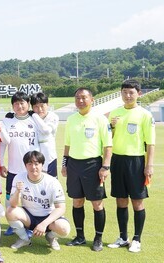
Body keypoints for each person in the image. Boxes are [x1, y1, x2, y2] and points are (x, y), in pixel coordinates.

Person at [107, 80, 155, 253]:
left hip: (136, 161)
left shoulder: (145, 114)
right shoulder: (115, 113)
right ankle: (122, 237)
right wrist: (111, 127)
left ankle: (137, 239)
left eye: (131, 92)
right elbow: (108, 138)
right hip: (117, 160)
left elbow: (150, 143)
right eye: (125, 92)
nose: (128, 96)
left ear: (138, 94)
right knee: (120, 200)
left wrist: (149, 165)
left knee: (137, 202)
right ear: (121, 93)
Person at [62, 87, 112, 252]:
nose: (80, 101)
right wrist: (64, 164)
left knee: (97, 204)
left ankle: (98, 238)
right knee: (77, 202)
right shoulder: (71, 119)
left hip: (93, 165)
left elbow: (107, 145)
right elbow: (67, 144)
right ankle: (80, 237)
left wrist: (105, 166)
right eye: (77, 98)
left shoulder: (100, 119)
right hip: (74, 165)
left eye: (84, 97)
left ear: (92, 99)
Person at [7, 151, 70, 251]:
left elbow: (61, 208)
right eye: (30, 164)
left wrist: (44, 224)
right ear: (25, 165)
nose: (33, 167)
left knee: (64, 228)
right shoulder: (19, 178)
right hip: (29, 217)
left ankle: (50, 237)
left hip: (48, 218)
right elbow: (13, 204)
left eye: (36, 164)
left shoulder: (52, 182)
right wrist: (18, 191)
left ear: (42, 165)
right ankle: (24, 239)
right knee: (10, 211)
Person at [0, 92, 40, 235]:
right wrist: (0, 163)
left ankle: (30, 225)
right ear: (12, 106)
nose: (19, 106)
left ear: (28, 104)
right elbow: (3, 144)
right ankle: (13, 223)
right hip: (13, 168)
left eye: (22, 103)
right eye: (16, 103)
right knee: (10, 199)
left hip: (32, 169)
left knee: (31, 199)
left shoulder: (35, 119)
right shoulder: (7, 121)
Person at [30, 92, 59, 177]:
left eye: (42, 106)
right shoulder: (30, 117)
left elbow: (45, 130)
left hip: (49, 155)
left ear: (47, 105)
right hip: (34, 155)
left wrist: (35, 115)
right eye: (36, 106)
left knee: (51, 181)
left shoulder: (53, 117)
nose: (40, 109)